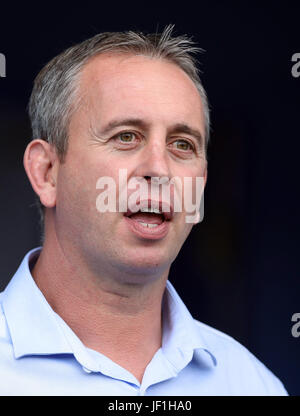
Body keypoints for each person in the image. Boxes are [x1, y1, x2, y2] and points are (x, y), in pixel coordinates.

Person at [0, 26, 288, 396]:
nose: (160, 169)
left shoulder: (253, 384)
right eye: (126, 136)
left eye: (182, 144)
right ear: (47, 172)